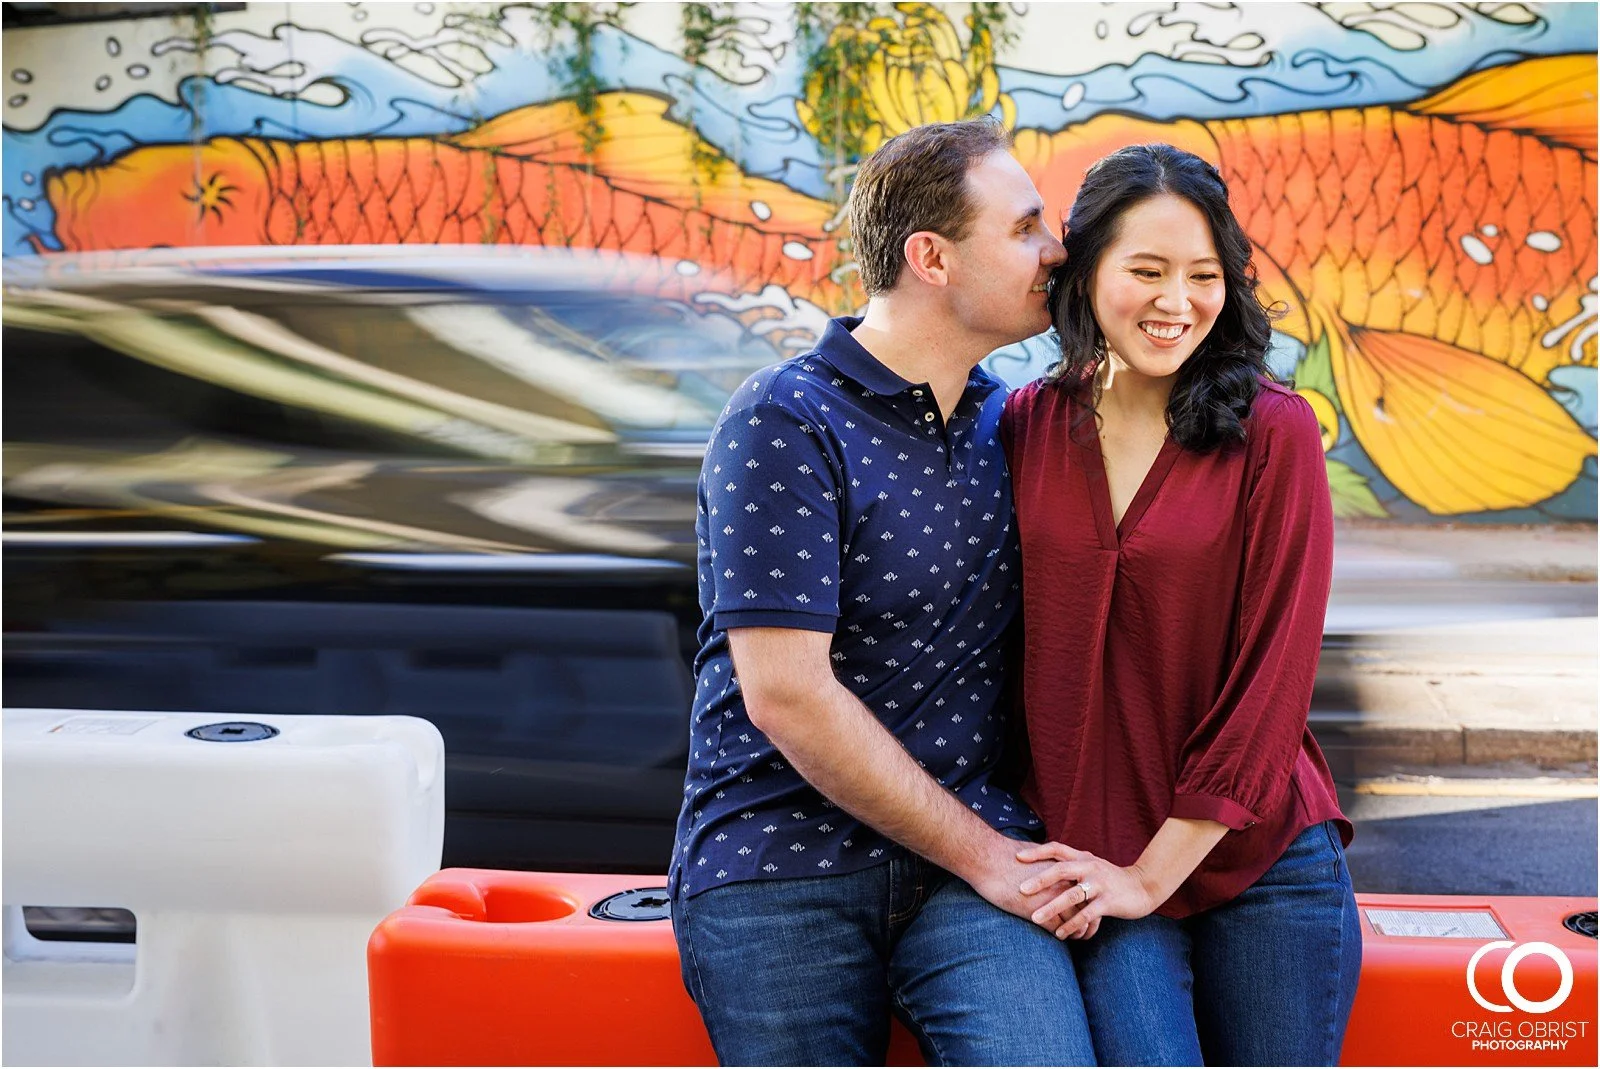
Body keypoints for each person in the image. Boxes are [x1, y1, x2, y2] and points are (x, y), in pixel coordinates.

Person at [668, 119, 1096, 1067]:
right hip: (780, 862)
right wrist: (989, 857)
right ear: (932, 258)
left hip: (965, 862)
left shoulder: (1013, 424)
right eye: (1025, 228)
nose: (1055, 250)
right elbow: (786, 692)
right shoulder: (786, 418)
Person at [1000, 142, 1362, 1066]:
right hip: (1096, 856)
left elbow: (1276, 678)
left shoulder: (1275, 430)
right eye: (1147, 271)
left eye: (1203, 275)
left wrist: (1149, 875)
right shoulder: (1026, 425)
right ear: (1086, 273)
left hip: (1260, 858)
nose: (1178, 301)